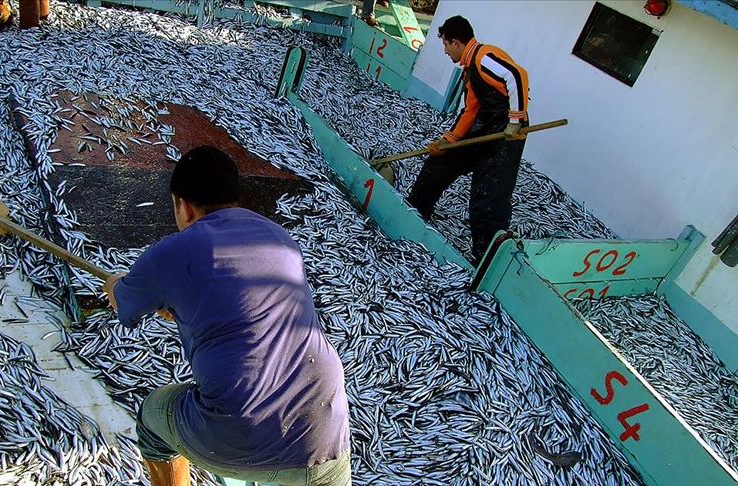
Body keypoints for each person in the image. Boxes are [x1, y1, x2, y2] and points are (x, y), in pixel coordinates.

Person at [103, 146, 352, 486]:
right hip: (325, 431)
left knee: (152, 418)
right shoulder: (281, 239)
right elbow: (247, 304)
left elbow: (125, 305)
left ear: (184, 206)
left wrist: (113, 284)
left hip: (239, 435)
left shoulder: (170, 252)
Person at [406, 15, 529, 266]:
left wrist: (514, 121)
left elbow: (518, 76)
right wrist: (447, 141)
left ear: (457, 42)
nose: (445, 50)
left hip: (507, 136)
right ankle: (414, 211)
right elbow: (471, 111)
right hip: (486, 129)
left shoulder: (484, 57)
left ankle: (487, 260)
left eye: (445, 45)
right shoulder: (469, 70)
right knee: (440, 163)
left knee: (487, 197)